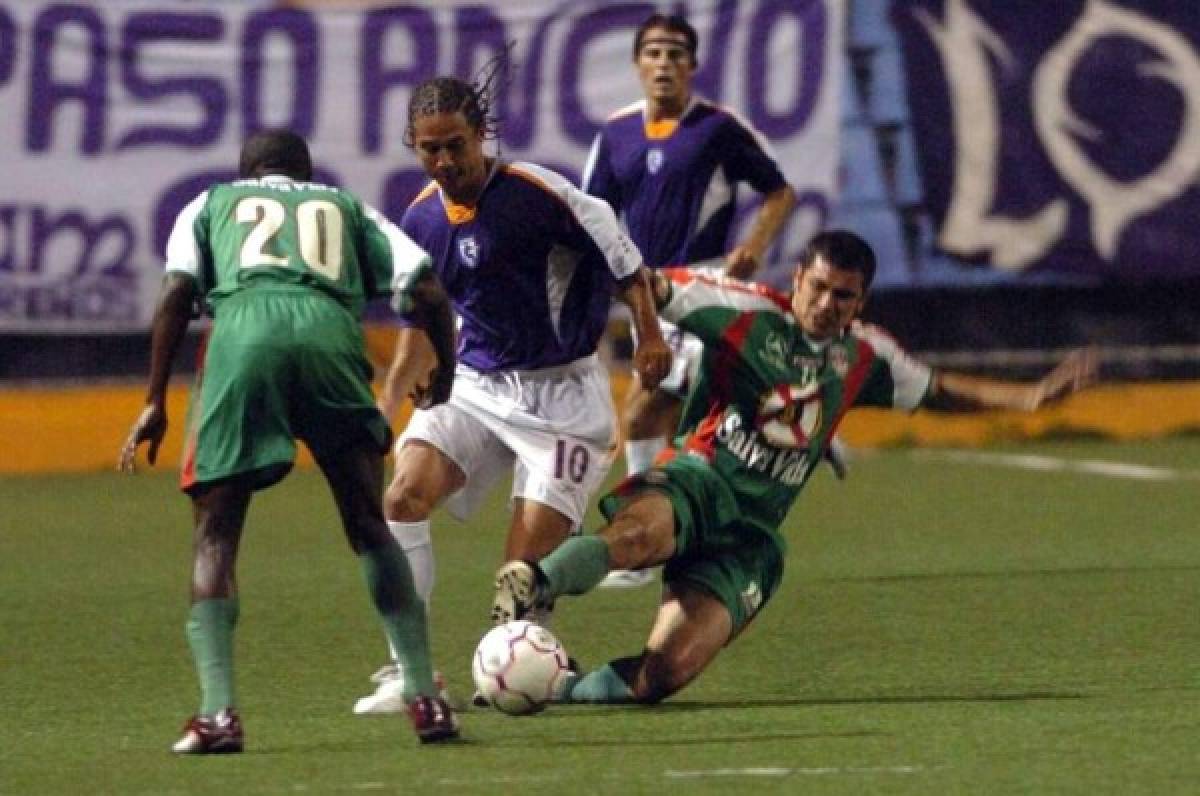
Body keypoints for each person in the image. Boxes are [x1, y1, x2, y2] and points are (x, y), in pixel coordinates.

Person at [491, 229, 1098, 705]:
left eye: (845, 296)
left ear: (862, 300)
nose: (828, 305)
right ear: (799, 277)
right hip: (699, 478)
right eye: (819, 288)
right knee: (638, 536)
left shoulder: (865, 355)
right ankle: (531, 585)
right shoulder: (741, 310)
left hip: (752, 534)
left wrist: (1032, 397)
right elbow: (644, 281)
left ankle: (556, 686)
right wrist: (646, 330)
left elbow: (939, 390)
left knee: (663, 675)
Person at [118, 130, 461, 751]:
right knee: (367, 523)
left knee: (216, 533)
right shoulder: (348, 207)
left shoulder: (211, 202)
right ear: (305, 173)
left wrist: (153, 401)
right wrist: (447, 375)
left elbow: (174, 295)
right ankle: (425, 698)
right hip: (331, 336)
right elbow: (428, 288)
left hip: (244, 336)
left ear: (247, 170)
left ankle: (218, 714)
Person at [352, 73, 673, 714]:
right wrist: (392, 401)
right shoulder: (421, 219)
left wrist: (648, 335)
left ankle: (516, 660)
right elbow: (427, 315)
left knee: (522, 575)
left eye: (456, 145)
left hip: (564, 399)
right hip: (474, 384)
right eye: (428, 148)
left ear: (482, 135)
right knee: (402, 495)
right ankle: (409, 670)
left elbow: (626, 266)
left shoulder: (542, 194)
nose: (444, 161)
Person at [582, 13, 797, 587]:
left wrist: (753, 246)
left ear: (693, 67)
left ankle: (641, 543)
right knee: (683, 409)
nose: (664, 64)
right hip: (644, 290)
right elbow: (592, 213)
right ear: (636, 63)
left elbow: (779, 191)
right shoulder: (616, 133)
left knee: (646, 404)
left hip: (699, 286)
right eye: (653, 52)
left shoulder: (719, 128)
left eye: (677, 54)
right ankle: (794, 420)